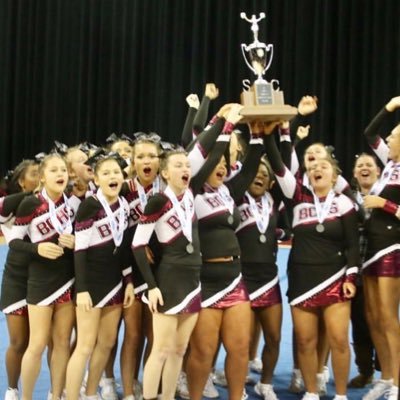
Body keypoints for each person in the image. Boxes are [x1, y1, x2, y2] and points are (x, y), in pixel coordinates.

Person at [263, 124, 360, 400]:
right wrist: (271, 133)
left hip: (335, 278)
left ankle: (340, 394)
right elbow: (280, 167)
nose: (318, 169)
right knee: (305, 341)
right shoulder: (297, 199)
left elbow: (353, 244)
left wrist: (351, 277)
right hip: (302, 279)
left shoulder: (345, 204)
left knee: (339, 340)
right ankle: (312, 392)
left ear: (335, 175)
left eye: (325, 167)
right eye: (313, 166)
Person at [186, 113, 272, 400]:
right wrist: (226, 125)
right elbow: (211, 156)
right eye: (218, 162)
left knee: (239, 348)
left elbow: (248, 170)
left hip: (234, 278)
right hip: (206, 280)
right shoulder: (193, 190)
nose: (223, 167)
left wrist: (258, 134)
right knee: (203, 351)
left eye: (225, 164)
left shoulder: (228, 191)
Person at [132, 149, 203, 400]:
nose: (186, 169)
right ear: (165, 173)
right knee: (161, 350)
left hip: (193, 280)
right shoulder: (159, 201)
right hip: (169, 280)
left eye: (187, 165)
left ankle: (168, 396)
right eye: (178, 165)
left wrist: (222, 122)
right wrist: (151, 286)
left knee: (179, 349)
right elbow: (138, 244)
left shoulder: (191, 195)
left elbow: (205, 150)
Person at [8, 153, 79, 400]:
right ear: (42, 177)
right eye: (54, 171)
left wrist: (76, 242)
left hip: (67, 279)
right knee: (37, 344)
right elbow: (13, 240)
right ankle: (26, 397)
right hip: (39, 279)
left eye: (63, 170)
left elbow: (83, 239)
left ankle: (55, 394)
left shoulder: (73, 204)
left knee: (61, 343)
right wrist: (36, 248)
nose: (60, 174)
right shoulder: (31, 204)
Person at [65, 155, 134, 400]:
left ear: (123, 177)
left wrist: (128, 281)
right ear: (96, 178)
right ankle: (70, 396)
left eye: (116, 172)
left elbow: (123, 247)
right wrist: (82, 289)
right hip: (91, 285)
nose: (112, 177)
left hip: (115, 283)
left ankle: (91, 393)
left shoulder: (124, 205)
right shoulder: (90, 206)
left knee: (106, 343)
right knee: (84, 346)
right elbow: (80, 250)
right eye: (105, 173)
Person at [236, 157, 290, 400]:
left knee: (274, 337)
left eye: (264, 175)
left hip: (268, 278)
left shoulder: (274, 201)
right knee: (241, 339)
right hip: (242, 277)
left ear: (270, 184)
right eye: (254, 172)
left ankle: (265, 384)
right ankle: (237, 381)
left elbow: (283, 166)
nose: (259, 176)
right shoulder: (234, 198)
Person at [360, 97, 400, 400]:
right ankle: (385, 377)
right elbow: (369, 132)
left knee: (388, 317)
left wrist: (382, 203)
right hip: (371, 247)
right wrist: (389, 107)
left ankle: (398, 382)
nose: (387, 139)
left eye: (394, 136)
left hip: (391, 247)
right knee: (373, 315)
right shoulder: (389, 166)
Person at [119, 134, 162, 400]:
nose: (146, 160)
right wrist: (136, 244)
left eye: (152, 156)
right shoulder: (123, 188)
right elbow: (114, 233)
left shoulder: (166, 188)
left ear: (160, 161)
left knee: (154, 335)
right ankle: (128, 390)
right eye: (141, 156)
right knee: (133, 335)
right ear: (133, 162)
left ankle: (150, 387)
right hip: (129, 268)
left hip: (160, 266)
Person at [0, 160, 40, 400]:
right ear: (22, 181)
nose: (41, 176)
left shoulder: (52, 203)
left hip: (48, 278)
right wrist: (30, 195)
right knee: (18, 340)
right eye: (36, 174)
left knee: (42, 340)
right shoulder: (9, 208)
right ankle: (12, 389)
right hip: (17, 278)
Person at [348, 153, 381, 388]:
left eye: (370, 164)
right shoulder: (346, 199)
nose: (365, 168)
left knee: (384, 321)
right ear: (354, 173)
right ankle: (365, 370)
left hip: (383, 272)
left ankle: (388, 372)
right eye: (360, 165)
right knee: (359, 323)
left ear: (378, 172)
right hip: (356, 273)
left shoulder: (387, 195)